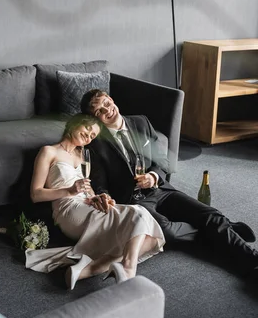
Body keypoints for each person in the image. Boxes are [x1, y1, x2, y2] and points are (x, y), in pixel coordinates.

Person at [80, 89, 258, 279]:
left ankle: (252, 260)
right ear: (95, 118)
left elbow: (163, 161)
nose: (107, 111)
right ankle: (220, 228)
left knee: (209, 214)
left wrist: (154, 176)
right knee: (167, 232)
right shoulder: (97, 143)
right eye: (99, 111)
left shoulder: (141, 122)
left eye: (106, 103)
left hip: (161, 190)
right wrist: (103, 196)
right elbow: (99, 182)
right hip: (135, 202)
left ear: (111, 99)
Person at [25, 113, 165, 289]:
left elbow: (88, 188)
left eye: (92, 136)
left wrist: (97, 197)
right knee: (138, 219)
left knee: (150, 238)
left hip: (86, 205)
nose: (88, 136)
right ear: (74, 124)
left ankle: (87, 271)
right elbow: (35, 194)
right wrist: (68, 190)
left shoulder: (84, 156)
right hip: (68, 210)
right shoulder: (49, 151)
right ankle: (122, 269)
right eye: (88, 129)